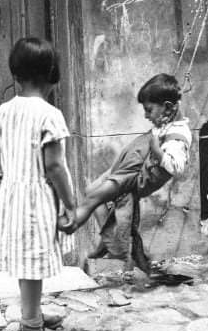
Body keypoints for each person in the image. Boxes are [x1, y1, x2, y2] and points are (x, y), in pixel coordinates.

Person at [60, 74, 191, 273]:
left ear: (166, 106)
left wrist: (157, 150)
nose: (146, 116)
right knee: (90, 189)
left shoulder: (179, 136)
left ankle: (68, 223)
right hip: (131, 166)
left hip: (138, 177)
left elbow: (176, 167)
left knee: (94, 198)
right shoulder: (168, 117)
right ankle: (111, 239)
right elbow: (171, 107)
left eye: (149, 110)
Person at [0, 37, 77, 331]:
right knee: (31, 261)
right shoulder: (49, 114)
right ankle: (30, 328)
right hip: (36, 198)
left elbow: (6, 155)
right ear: (51, 73)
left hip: (12, 194)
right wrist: (70, 203)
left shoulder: (3, 112)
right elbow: (54, 166)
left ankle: (33, 313)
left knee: (27, 261)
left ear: (16, 73)